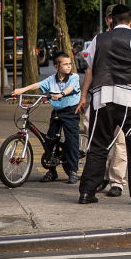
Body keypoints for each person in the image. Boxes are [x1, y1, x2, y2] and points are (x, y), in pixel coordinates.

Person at [76, 4, 131, 205]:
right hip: (129, 96)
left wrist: (84, 94)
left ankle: (87, 192)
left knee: (97, 145)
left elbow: (90, 66)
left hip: (102, 96)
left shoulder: (98, 39)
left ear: (112, 20)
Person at [81, 4, 129, 198]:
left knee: (119, 140)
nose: (110, 20)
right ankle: (98, 177)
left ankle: (116, 181)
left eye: (113, 17)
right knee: (94, 138)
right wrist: (84, 95)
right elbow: (90, 70)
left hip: (121, 96)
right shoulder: (99, 40)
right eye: (109, 17)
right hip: (99, 96)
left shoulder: (130, 38)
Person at [13, 52, 81, 184]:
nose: (69, 66)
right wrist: (21, 90)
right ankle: (52, 171)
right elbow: (38, 85)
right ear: (56, 66)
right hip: (57, 111)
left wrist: (61, 94)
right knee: (50, 140)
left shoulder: (74, 77)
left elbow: (70, 89)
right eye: (65, 64)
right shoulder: (51, 79)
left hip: (70, 112)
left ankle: (73, 170)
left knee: (71, 140)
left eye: (70, 64)